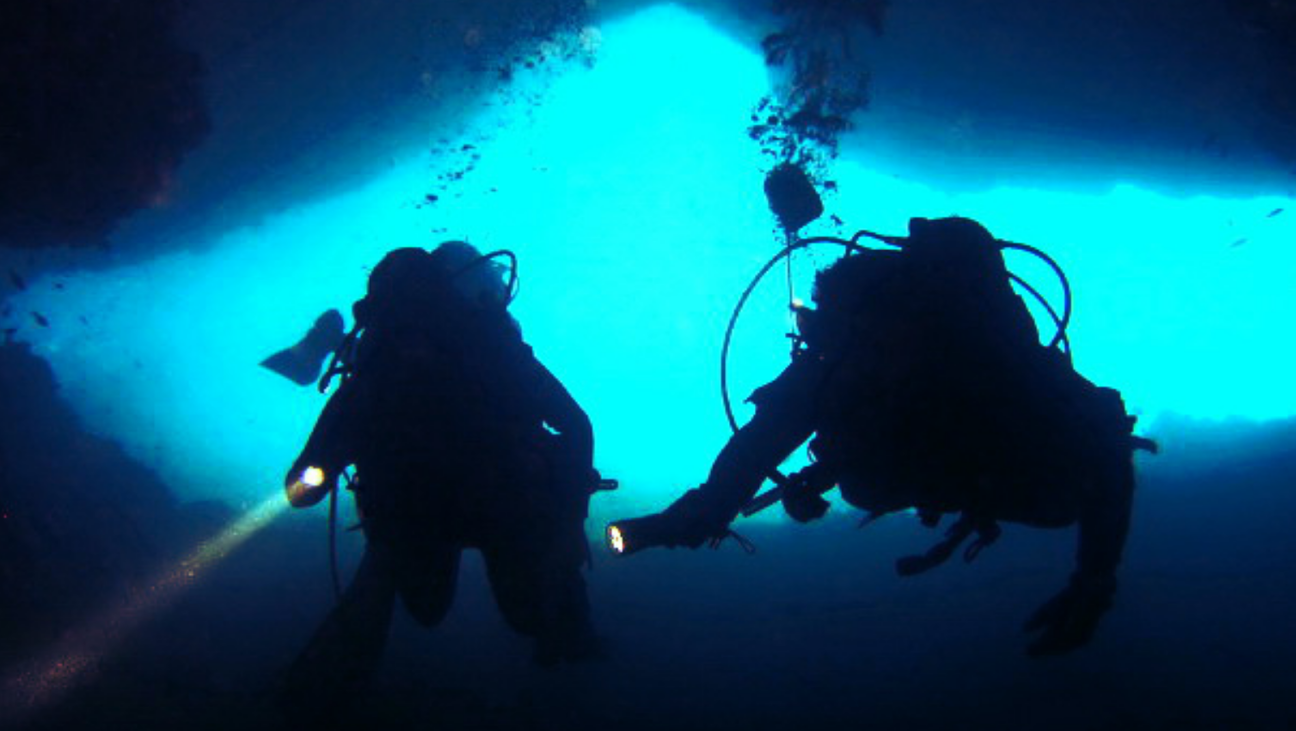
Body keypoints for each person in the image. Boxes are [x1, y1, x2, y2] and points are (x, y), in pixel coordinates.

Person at [609, 217, 1153, 656]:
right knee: (873, 477)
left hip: (1011, 469)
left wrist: (1094, 579)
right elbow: (751, 454)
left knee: (1059, 492)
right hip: (960, 471)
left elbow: (1102, 447)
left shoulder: (987, 360)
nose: (818, 337)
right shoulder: (833, 368)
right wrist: (683, 521)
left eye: (828, 325)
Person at [279, 242, 603, 718]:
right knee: (430, 608)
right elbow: (576, 425)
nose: (416, 342)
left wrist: (569, 525)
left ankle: (568, 635)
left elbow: (576, 425)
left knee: (523, 615)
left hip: (488, 505)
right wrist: (569, 521)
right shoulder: (382, 370)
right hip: (435, 511)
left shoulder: (486, 351)